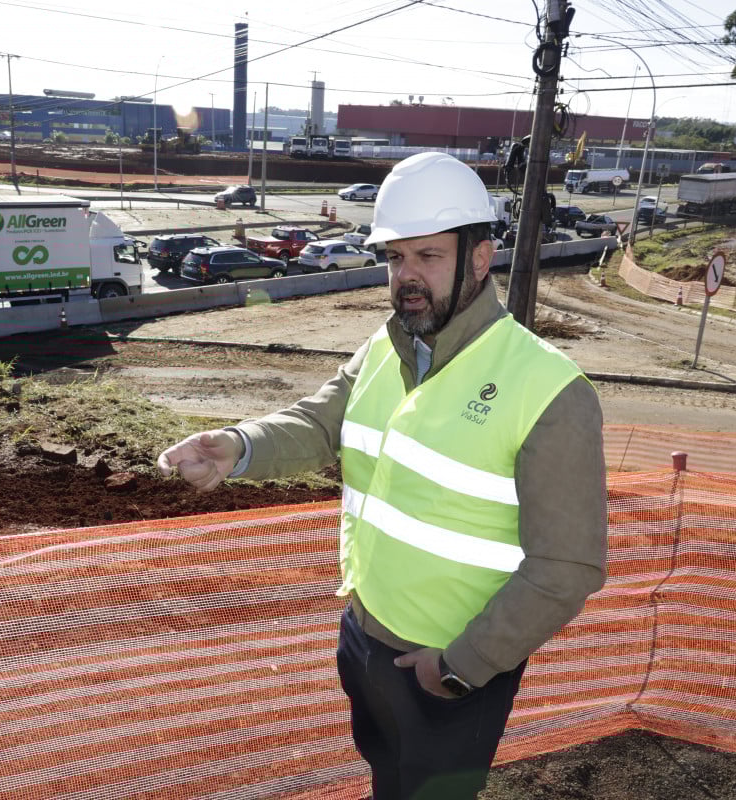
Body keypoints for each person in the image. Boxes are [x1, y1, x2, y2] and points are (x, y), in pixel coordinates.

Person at [157, 152, 607, 800]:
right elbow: (321, 424)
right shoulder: (387, 346)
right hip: (365, 638)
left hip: (450, 670)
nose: (407, 277)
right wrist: (236, 446)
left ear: (479, 259)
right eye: (396, 258)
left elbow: (566, 568)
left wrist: (457, 670)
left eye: (427, 256)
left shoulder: (549, 390)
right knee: (387, 782)